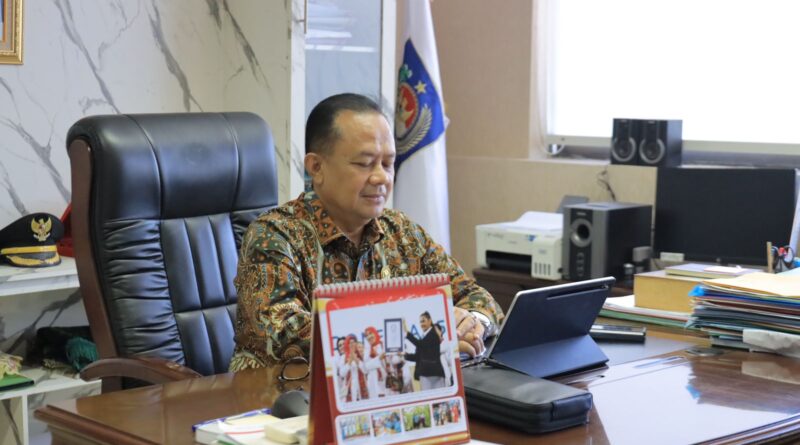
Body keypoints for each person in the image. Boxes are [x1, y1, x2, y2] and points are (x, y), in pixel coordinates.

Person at [230, 93, 504, 372]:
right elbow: (284, 335)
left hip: (387, 390)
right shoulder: (274, 236)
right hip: (280, 393)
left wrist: (471, 323)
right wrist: (425, 336)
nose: (382, 177)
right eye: (364, 164)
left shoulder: (402, 232)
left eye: (388, 164)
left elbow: (477, 297)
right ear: (316, 167)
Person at [404, 311, 446, 390]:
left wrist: (407, 334)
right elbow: (418, 357)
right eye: (420, 322)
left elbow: (420, 344)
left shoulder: (434, 332)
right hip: (424, 374)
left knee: (440, 396)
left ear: (430, 320)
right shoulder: (424, 338)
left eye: (423, 321)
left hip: (434, 373)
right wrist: (404, 356)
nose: (422, 324)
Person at [363, 326, 387, 399]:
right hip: (375, 383)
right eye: (367, 335)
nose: (369, 337)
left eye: (370, 333)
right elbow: (366, 367)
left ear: (375, 333)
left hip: (387, 381)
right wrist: (379, 358)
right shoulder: (367, 351)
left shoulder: (383, 345)